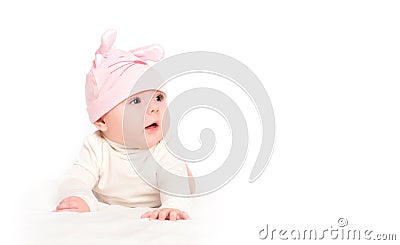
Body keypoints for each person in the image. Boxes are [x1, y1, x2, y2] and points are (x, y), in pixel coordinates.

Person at [55, 29, 193, 221]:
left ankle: (188, 174)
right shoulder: (96, 146)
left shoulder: (164, 145)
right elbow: (75, 178)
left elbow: (174, 183)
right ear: (101, 120)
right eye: (136, 101)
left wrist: (173, 206)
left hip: (167, 186)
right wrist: (79, 196)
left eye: (159, 97)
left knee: (183, 179)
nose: (154, 108)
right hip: (107, 199)